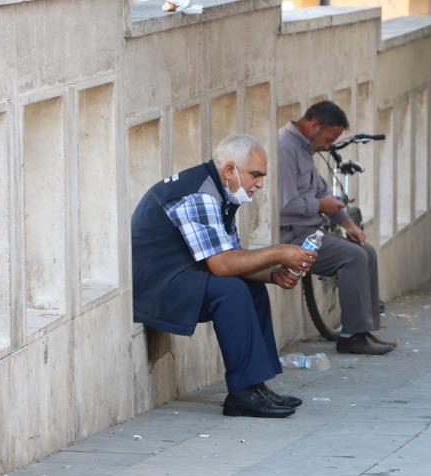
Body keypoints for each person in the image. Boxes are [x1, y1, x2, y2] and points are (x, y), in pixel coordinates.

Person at [132, 134, 318, 418]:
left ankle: (255, 384)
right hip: (154, 290)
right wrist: (280, 252)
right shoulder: (200, 195)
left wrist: (273, 275)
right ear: (230, 170)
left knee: (251, 288)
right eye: (255, 175)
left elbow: (234, 256)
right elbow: (222, 265)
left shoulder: (220, 191)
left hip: (181, 277)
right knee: (231, 290)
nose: (260, 184)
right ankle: (242, 394)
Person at [278, 101, 395, 356]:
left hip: (311, 230)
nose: (328, 145)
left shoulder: (306, 148)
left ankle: (364, 330)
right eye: (329, 138)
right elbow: (285, 205)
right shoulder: (286, 147)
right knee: (353, 257)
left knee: (366, 251)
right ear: (313, 125)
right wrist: (321, 205)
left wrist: (349, 225)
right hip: (292, 235)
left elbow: (322, 191)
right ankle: (351, 337)